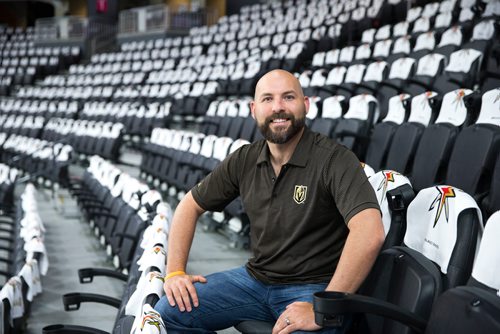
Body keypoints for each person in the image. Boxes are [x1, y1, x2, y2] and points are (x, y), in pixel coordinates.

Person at [154, 69, 384, 333]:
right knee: (168, 313)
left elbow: (369, 232)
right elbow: (189, 205)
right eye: (267, 99)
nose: (278, 108)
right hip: (254, 281)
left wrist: (322, 306)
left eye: (288, 97)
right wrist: (175, 273)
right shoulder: (244, 159)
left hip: (314, 287)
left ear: (305, 105)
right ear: (254, 109)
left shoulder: (335, 159)